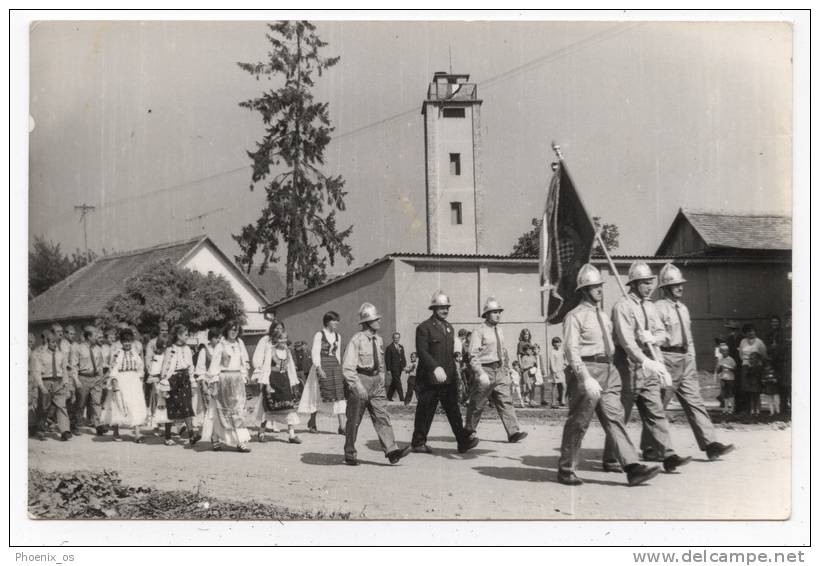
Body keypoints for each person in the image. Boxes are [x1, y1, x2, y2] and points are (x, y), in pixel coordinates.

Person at [556, 263, 661, 486]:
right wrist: (585, 377)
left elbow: (617, 342)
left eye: (600, 286)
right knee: (579, 422)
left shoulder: (604, 316)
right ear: (584, 290)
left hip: (609, 369)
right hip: (587, 371)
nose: (599, 290)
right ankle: (566, 469)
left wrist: (642, 336)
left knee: (615, 418)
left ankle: (632, 467)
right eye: (594, 287)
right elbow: (571, 350)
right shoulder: (574, 316)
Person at [602, 260, 691, 474]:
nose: (649, 287)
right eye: (644, 283)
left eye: (650, 282)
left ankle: (667, 454)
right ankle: (611, 458)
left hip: (649, 366)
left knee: (655, 411)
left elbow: (663, 334)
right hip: (627, 365)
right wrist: (644, 359)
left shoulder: (650, 306)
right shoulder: (622, 306)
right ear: (633, 284)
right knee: (621, 414)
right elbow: (626, 342)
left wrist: (653, 340)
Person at [645, 263, 735, 461]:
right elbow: (655, 338)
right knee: (658, 406)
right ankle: (650, 448)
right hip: (667, 358)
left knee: (695, 402)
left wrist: (691, 358)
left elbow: (689, 337)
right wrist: (659, 365)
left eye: (681, 284)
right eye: (675, 284)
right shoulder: (657, 308)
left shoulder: (683, 309)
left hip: (685, 359)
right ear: (666, 287)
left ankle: (710, 444)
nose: (680, 287)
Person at [341, 302, 410, 466]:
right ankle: (350, 453)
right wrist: (358, 386)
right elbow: (347, 368)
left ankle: (392, 451)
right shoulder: (356, 340)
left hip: (376, 383)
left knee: (382, 416)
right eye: (375, 319)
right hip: (360, 380)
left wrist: (380, 378)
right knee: (354, 420)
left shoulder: (378, 340)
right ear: (367, 322)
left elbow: (380, 364)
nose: (379, 321)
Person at [411, 291, 479, 454]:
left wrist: (457, 356)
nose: (445, 310)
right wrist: (434, 367)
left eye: (447, 307)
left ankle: (462, 441)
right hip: (429, 378)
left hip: (448, 377)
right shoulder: (424, 327)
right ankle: (418, 442)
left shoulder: (449, 327)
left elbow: (450, 350)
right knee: (425, 410)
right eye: (441, 307)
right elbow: (422, 352)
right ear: (433, 308)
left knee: (453, 410)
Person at [465, 297, 527, 444]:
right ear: (486, 314)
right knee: (477, 404)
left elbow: (502, 351)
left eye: (499, 312)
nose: (498, 315)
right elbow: (473, 355)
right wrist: (479, 373)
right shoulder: (478, 331)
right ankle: (468, 433)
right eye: (494, 312)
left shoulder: (499, 330)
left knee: (506, 401)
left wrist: (506, 369)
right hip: (485, 370)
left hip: (499, 369)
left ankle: (513, 432)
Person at [203, 320, 252, 452]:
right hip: (224, 380)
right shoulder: (221, 345)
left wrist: (244, 377)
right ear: (227, 330)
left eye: (236, 330)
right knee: (220, 411)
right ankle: (215, 438)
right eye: (231, 329)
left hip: (237, 381)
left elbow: (244, 362)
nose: (234, 332)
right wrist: (213, 382)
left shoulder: (240, 344)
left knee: (238, 412)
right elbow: (214, 365)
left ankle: (240, 442)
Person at [298, 312, 347, 435]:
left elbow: (337, 354)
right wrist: (319, 368)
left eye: (337, 320)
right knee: (316, 395)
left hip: (334, 367)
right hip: (321, 366)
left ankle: (342, 426)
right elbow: (315, 352)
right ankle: (312, 422)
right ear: (327, 321)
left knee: (339, 395)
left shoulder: (338, 336)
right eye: (334, 320)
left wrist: (339, 368)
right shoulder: (319, 335)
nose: (337, 323)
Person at [253, 328, 303, 444]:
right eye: (280, 338)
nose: (283, 340)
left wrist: (293, 383)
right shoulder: (271, 350)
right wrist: (266, 383)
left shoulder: (288, 352)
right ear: (276, 339)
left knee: (289, 408)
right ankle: (261, 432)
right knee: (268, 408)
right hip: (273, 381)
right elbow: (266, 367)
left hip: (284, 382)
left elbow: (290, 369)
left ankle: (291, 435)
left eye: (285, 338)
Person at [101, 327, 147, 443]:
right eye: (125, 341)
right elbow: (113, 369)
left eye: (129, 341)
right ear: (121, 342)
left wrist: (139, 378)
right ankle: (116, 432)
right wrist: (115, 383)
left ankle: (137, 433)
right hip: (121, 382)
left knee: (135, 405)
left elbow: (140, 366)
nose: (127, 343)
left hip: (134, 382)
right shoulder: (117, 354)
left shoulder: (135, 353)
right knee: (118, 405)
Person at [159, 324, 200, 446]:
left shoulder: (187, 349)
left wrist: (192, 381)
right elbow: (166, 366)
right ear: (178, 335)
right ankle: (167, 436)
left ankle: (191, 435)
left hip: (185, 379)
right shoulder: (170, 348)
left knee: (187, 406)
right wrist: (165, 382)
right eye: (186, 334)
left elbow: (190, 366)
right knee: (171, 406)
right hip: (173, 379)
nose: (187, 337)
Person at [31, 330, 73, 441]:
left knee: (61, 406)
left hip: (59, 383)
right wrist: (41, 386)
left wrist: (65, 383)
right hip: (46, 382)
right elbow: (37, 372)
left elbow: (64, 370)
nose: (55, 344)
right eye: (53, 342)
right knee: (44, 408)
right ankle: (40, 429)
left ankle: (65, 431)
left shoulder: (61, 355)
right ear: (47, 342)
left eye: (56, 342)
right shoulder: (41, 355)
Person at [70, 326, 107, 436]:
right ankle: (75, 425)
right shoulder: (78, 348)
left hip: (95, 378)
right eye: (95, 335)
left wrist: (101, 379)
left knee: (96, 402)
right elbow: (74, 365)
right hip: (83, 377)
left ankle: (98, 425)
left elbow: (100, 365)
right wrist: (76, 380)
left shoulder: (98, 349)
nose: (97, 337)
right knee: (80, 403)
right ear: (89, 336)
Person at [193, 328, 221, 427]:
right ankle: (209, 428)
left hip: (220, 382)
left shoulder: (221, 349)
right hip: (208, 383)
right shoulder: (204, 351)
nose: (218, 340)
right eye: (216, 338)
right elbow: (200, 369)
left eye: (219, 338)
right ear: (210, 338)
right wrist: (203, 385)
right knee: (208, 407)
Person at [738, 323, 767, 417]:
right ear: (745, 333)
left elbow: (763, 355)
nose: (751, 333)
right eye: (749, 331)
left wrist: (756, 364)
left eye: (753, 331)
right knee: (747, 389)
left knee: (756, 389)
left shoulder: (759, 342)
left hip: (756, 368)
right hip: (746, 366)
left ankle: (758, 409)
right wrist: (747, 362)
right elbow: (740, 355)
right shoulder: (743, 342)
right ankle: (750, 409)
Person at [146, 336, 170, 431]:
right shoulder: (157, 357)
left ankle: (161, 423)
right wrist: (156, 382)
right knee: (156, 403)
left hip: (163, 382)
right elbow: (154, 371)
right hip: (157, 383)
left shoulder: (165, 356)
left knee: (163, 403)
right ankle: (156, 425)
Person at [765, 316, 786, 416]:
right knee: (772, 385)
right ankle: (773, 409)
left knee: (781, 384)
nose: (775, 324)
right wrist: (771, 348)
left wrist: (776, 347)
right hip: (771, 361)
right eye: (773, 322)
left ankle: (782, 407)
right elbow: (766, 347)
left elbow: (783, 346)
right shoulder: (769, 334)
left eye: (776, 322)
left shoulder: (782, 333)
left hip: (780, 361)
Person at [384, 332, 407, 402]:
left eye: (397, 338)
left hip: (399, 368)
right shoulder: (389, 348)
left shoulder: (401, 347)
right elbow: (387, 359)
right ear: (393, 338)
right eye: (395, 338)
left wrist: (404, 365)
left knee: (394, 382)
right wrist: (388, 369)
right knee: (398, 382)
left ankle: (389, 396)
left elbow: (403, 357)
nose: (396, 339)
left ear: (399, 338)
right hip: (393, 368)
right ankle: (402, 398)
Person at [716, 343, 737, 414]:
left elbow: (735, 368)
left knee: (730, 393)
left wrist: (727, 367)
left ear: (728, 351)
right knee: (725, 394)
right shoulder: (720, 359)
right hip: (723, 378)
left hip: (730, 378)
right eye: (722, 351)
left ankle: (732, 408)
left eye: (726, 351)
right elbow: (718, 371)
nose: (724, 352)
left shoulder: (731, 359)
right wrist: (719, 368)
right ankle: (726, 408)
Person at [549, 337, 568, 407]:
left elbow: (565, 359)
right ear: (553, 344)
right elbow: (552, 363)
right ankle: (553, 402)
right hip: (555, 372)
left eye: (559, 342)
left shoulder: (562, 351)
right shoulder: (552, 352)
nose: (557, 344)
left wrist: (565, 365)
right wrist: (554, 372)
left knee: (564, 386)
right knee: (554, 387)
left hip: (561, 371)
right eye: (556, 342)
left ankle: (562, 400)